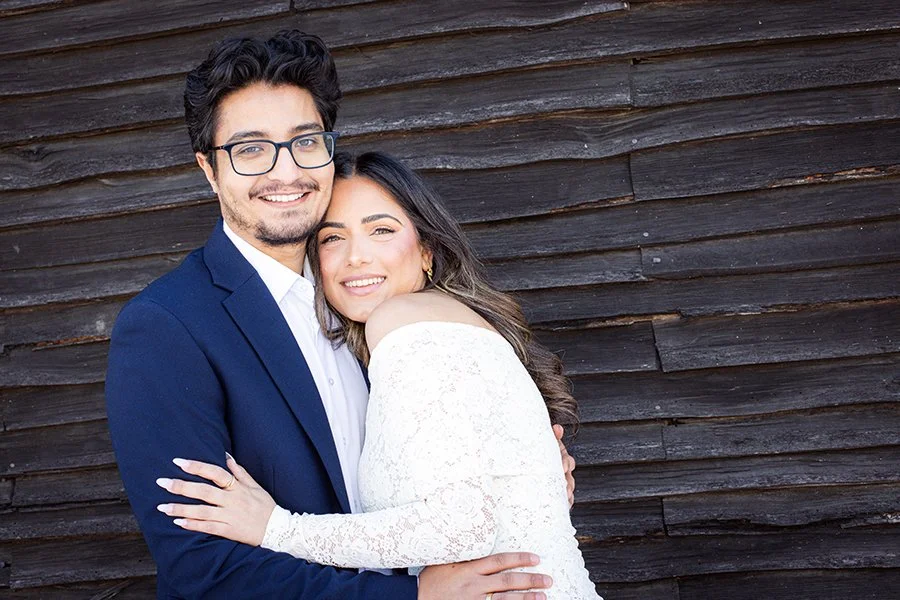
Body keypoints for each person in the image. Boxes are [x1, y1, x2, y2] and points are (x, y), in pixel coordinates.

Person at [106, 30, 574, 599]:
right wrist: (413, 598)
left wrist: (524, 472)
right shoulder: (165, 326)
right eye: (251, 149)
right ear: (210, 169)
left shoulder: (365, 297)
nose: (286, 172)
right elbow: (204, 569)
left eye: (305, 142)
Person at [154, 151, 602, 599]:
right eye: (333, 238)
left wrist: (277, 528)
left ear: (427, 249)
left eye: (381, 230)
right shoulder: (442, 325)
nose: (356, 257)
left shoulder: (402, 320)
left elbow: (462, 525)